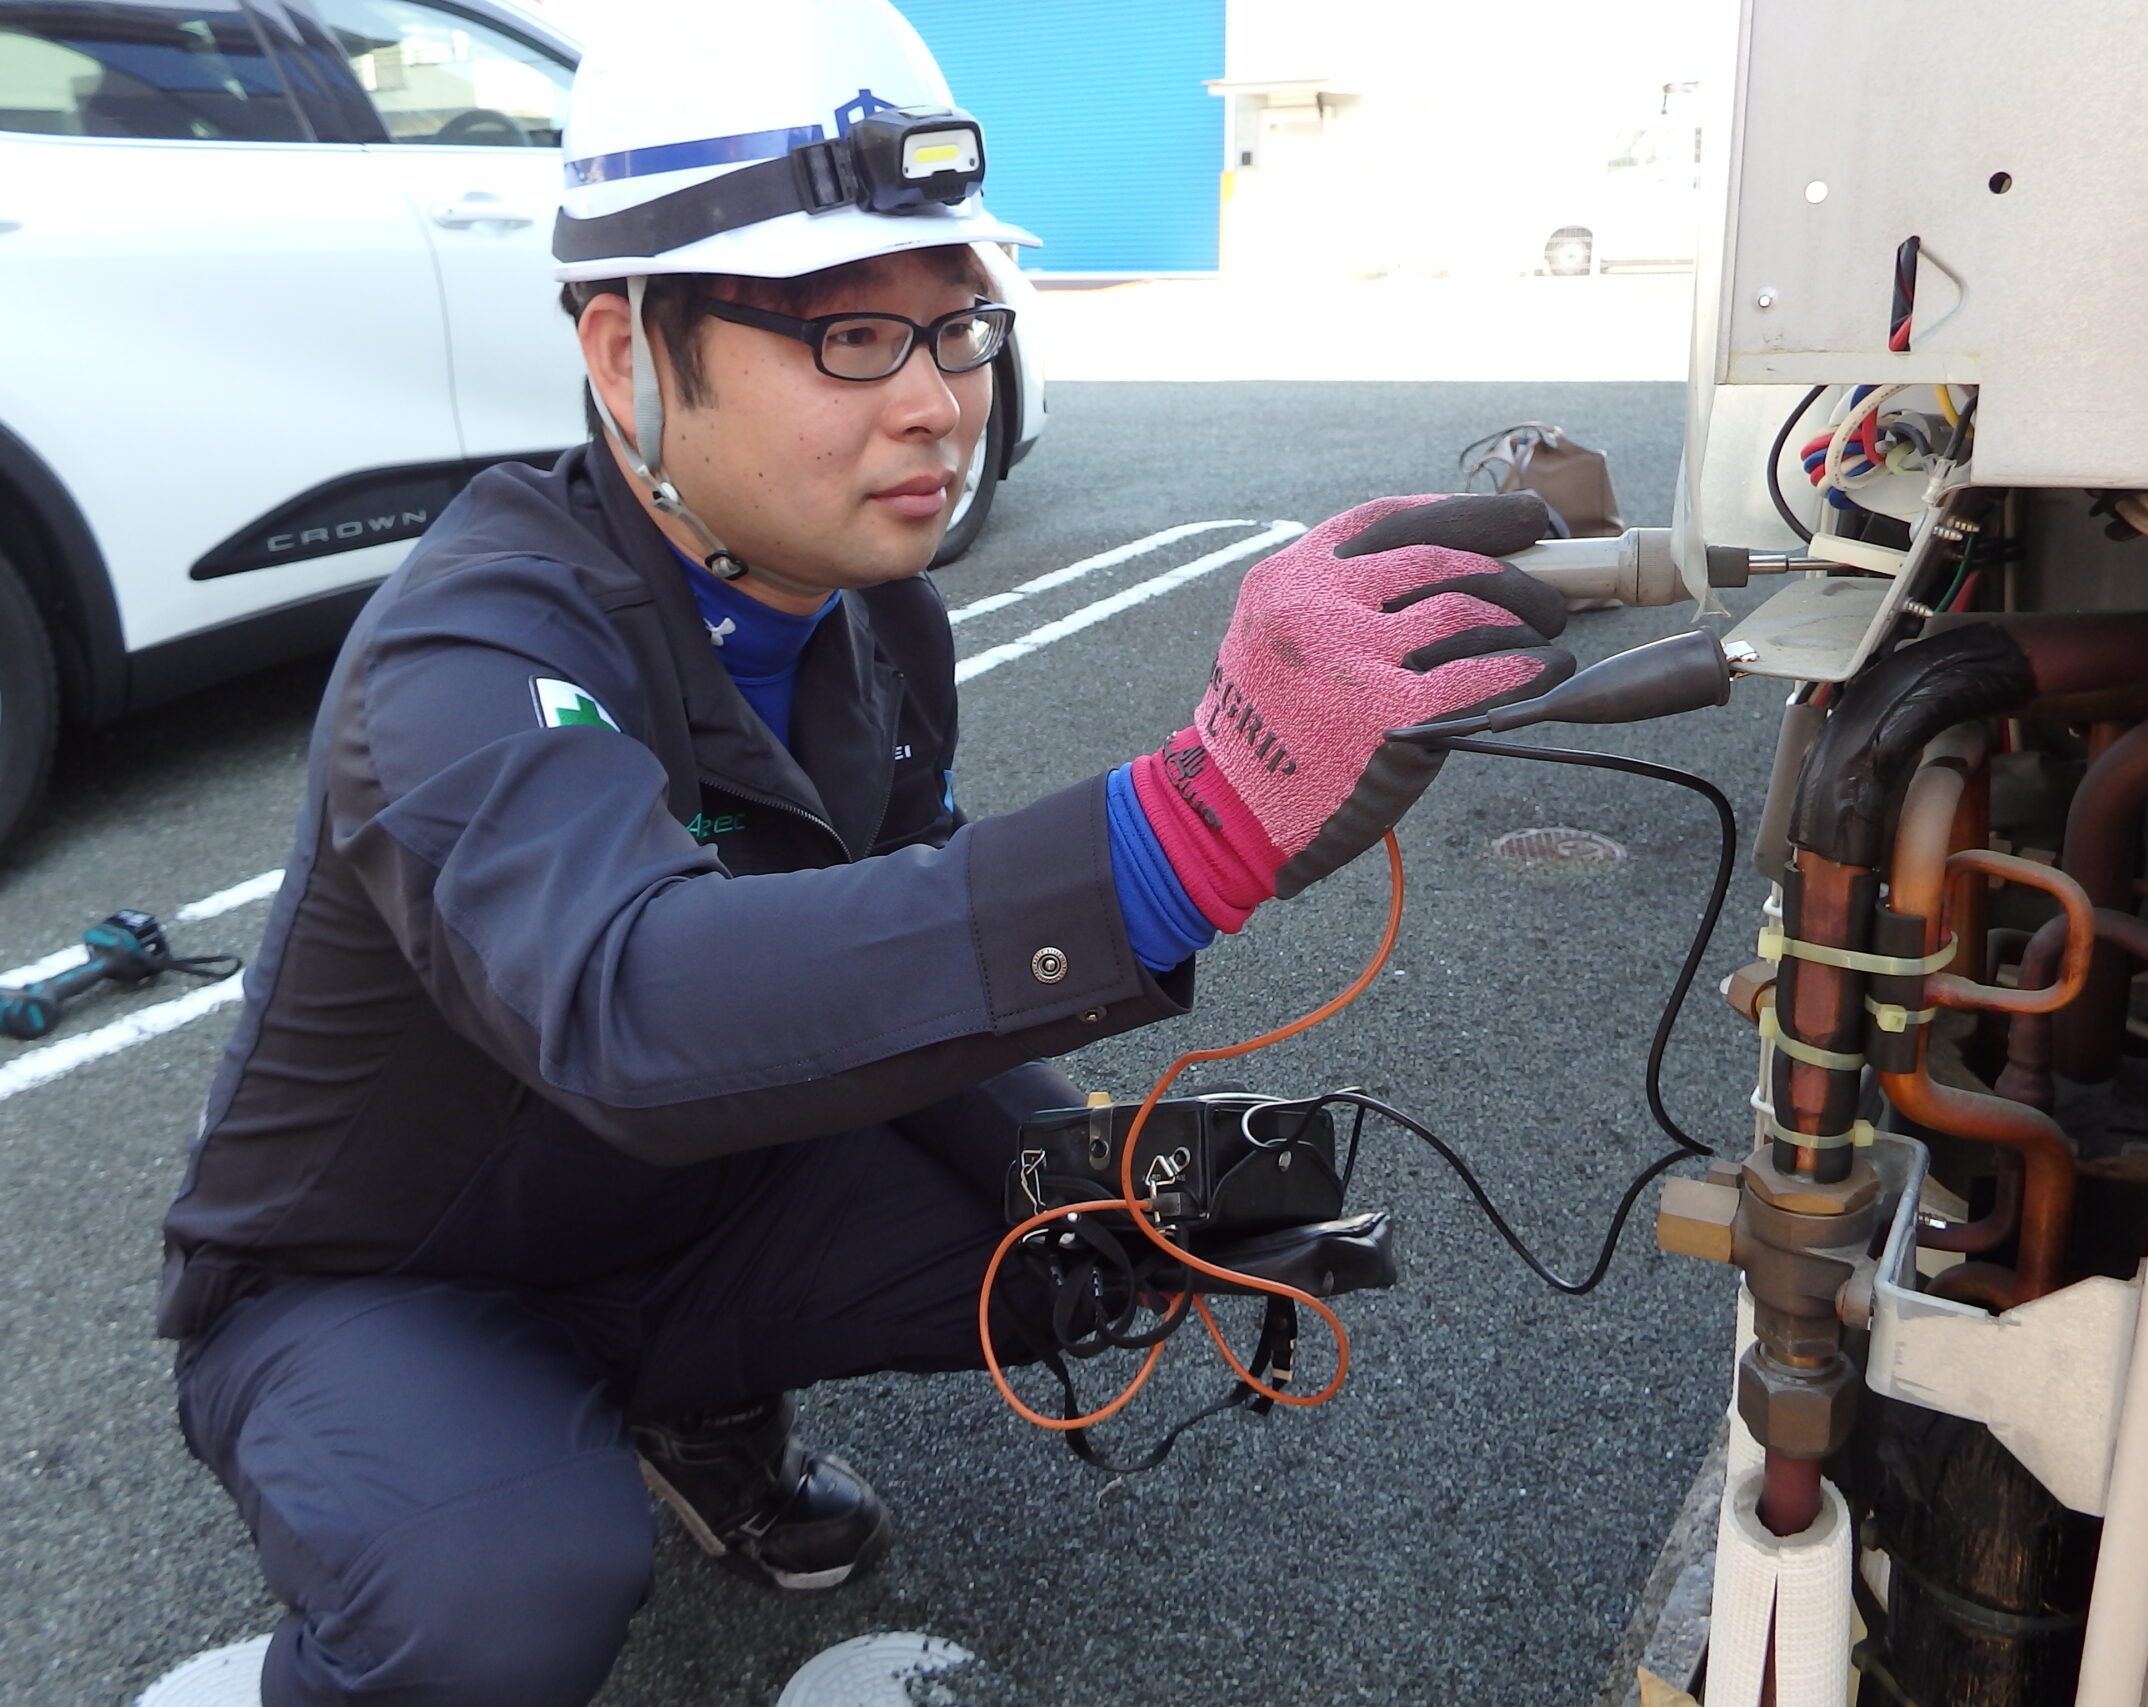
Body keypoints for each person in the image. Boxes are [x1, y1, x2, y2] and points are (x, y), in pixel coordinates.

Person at [153, 3, 1573, 1703]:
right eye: (846, 336)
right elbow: (632, 1006)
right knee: (507, 1591)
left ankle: (687, 1408)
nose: (936, 403)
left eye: (958, 327)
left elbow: (875, 971)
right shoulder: (465, 651)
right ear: (622, 355)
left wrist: (1121, 1189)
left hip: (690, 1201)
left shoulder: (880, 625)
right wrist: (1184, 826)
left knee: (1101, 1235)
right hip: (393, 1281)